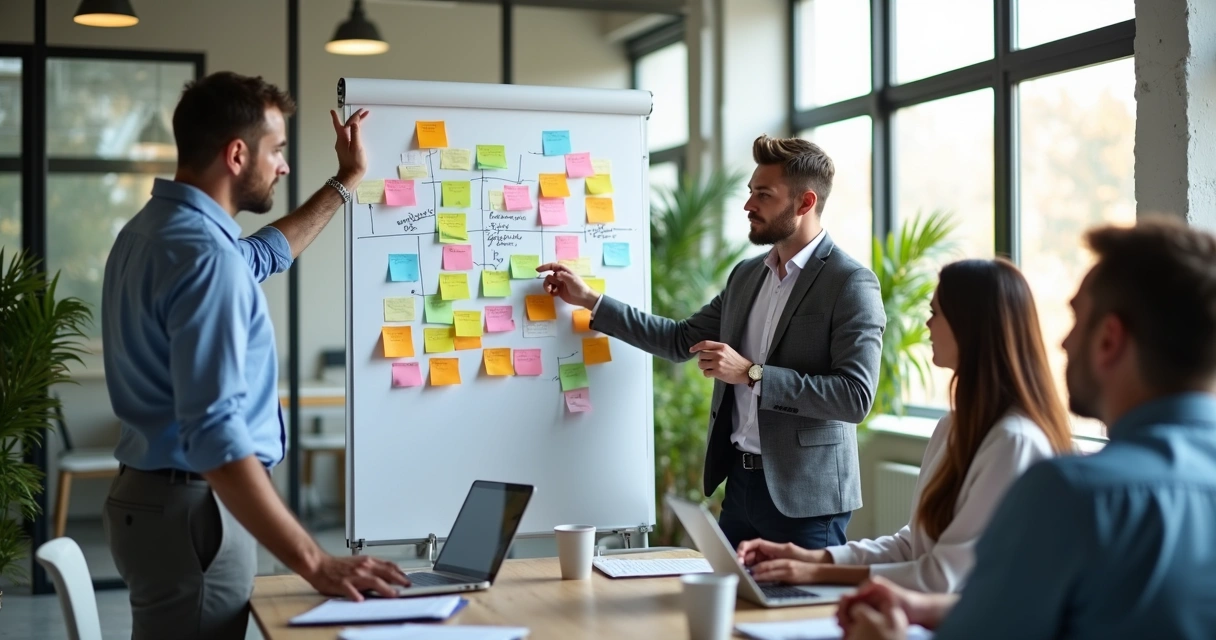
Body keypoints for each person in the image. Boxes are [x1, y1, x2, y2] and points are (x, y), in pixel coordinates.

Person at [101, 71, 408, 640]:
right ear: (237, 154)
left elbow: (262, 256)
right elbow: (216, 435)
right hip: (197, 507)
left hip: (154, 498)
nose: (284, 166)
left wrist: (345, 182)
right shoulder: (203, 257)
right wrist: (316, 561)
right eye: (279, 150)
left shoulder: (150, 232)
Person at [836, 218, 1216, 640]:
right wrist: (926, 608)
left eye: (1077, 320)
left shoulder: (1071, 493)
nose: (1063, 343)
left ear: (1109, 340)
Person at [537, 135, 885, 550]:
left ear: (805, 203)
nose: (748, 205)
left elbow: (854, 397)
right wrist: (591, 301)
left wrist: (752, 374)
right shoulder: (746, 276)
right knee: (730, 607)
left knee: (798, 613)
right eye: (750, 192)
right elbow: (678, 339)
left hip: (806, 499)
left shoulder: (850, 283)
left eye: (763, 194)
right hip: (738, 489)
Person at [736, 258, 1074, 593]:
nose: (927, 324)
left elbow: (942, 577)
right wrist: (812, 559)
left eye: (936, 313)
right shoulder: (952, 428)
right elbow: (912, 545)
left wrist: (814, 574)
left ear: (970, 326)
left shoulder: (1014, 442)